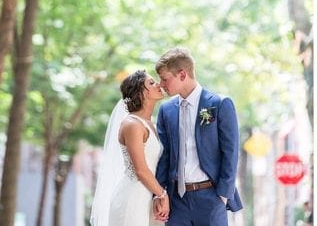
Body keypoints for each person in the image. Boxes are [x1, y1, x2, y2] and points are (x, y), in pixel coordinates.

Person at [155, 47, 243, 225]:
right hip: (176, 201)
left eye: (165, 79)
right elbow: (164, 155)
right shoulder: (166, 110)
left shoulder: (219, 104)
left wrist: (223, 195)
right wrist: (160, 194)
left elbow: (231, 151)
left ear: (182, 74)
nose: (161, 85)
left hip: (211, 198)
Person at [91, 70, 169, 225]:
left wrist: (157, 195)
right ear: (141, 93)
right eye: (151, 83)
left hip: (148, 196)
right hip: (132, 198)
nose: (158, 84)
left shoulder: (150, 124)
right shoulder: (132, 124)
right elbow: (140, 170)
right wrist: (162, 195)